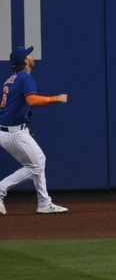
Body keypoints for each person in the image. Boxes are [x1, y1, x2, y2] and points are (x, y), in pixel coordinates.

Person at [0, 46, 69, 215]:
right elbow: (32, 100)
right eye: (28, 55)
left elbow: (9, 107)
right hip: (13, 132)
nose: (31, 56)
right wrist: (56, 98)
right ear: (25, 61)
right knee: (36, 165)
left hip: (10, 130)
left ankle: (44, 202)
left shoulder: (11, 79)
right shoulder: (25, 78)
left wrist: (22, 125)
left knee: (38, 161)